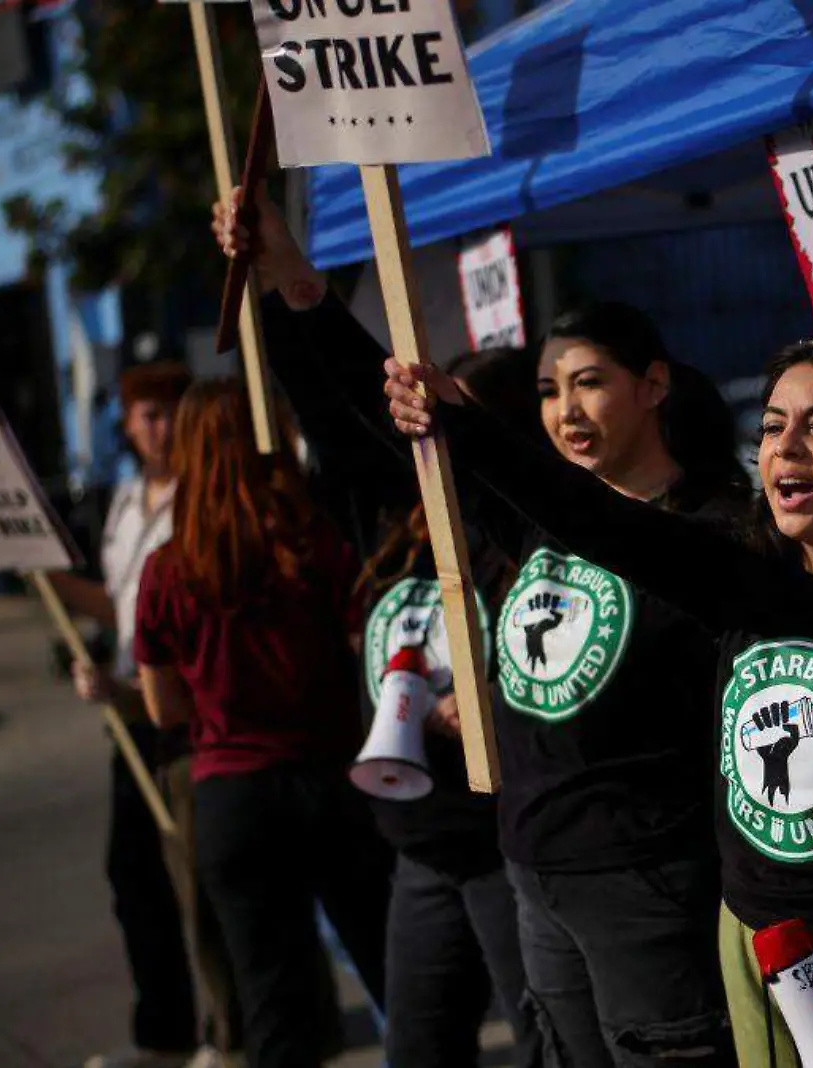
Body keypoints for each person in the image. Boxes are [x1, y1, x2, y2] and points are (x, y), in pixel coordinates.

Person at [385, 336, 813, 1067]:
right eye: (774, 426)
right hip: (755, 961)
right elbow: (594, 517)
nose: (787, 446)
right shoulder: (742, 578)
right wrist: (460, 423)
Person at [215, 186, 740, 1068]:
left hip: (648, 884)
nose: (567, 411)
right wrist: (292, 279)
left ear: (654, 386)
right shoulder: (537, 518)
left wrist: (465, 427)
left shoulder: (711, 529)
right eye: (547, 391)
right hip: (536, 872)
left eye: (589, 384)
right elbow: (365, 428)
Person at [216, 183, 540, 1068]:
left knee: (549, 1047)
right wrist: (282, 279)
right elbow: (337, 405)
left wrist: (487, 706)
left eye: (449, 420)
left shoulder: (517, 531)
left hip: (506, 848)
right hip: (419, 853)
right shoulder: (395, 516)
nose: (424, 437)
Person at [134, 380, 393, 1068]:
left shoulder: (165, 572)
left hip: (232, 798)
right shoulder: (316, 543)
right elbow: (364, 646)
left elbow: (163, 709)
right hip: (333, 784)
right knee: (399, 977)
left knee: (275, 1012)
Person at [43, 363, 211, 1068]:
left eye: (166, 410)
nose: (155, 426)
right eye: (142, 413)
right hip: (130, 711)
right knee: (134, 875)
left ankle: (226, 1030)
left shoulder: (203, 499)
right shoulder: (123, 503)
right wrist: (51, 579)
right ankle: (164, 1032)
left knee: (201, 873)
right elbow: (122, 608)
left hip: (189, 708)